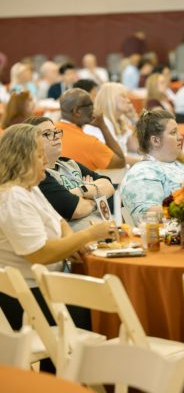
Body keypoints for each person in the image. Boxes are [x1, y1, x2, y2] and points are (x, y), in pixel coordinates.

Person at [0, 123, 113, 364]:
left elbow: (59, 220)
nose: (45, 162)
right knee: (104, 309)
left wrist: (70, 243)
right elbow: (39, 254)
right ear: (23, 158)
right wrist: (88, 236)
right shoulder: (13, 197)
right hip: (29, 300)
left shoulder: (28, 188)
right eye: (39, 156)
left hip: (44, 287)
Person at [25, 116, 115, 232]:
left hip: (106, 229)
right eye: (47, 134)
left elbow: (108, 185)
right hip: (79, 241)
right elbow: (75, 210)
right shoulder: (39, 175)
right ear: (31, 142)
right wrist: (95, 196)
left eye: (56, 131)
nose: (56, 136)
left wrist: (81, 191)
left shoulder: (69, 163)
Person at [55, 88, 126, 170]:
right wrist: (102, 126)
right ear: (77, 111)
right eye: (91, 105)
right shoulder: (90, 143)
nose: (95, 110)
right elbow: (120, 161)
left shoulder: (48, 130)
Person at [93, 82, 139, 164]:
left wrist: (134, 118)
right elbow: (111, 157)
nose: (128, 100)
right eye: (123, 96)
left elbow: (138, 146)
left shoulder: (119, 122)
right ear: (109, 98)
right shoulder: (100, 123)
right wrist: (142, 161)